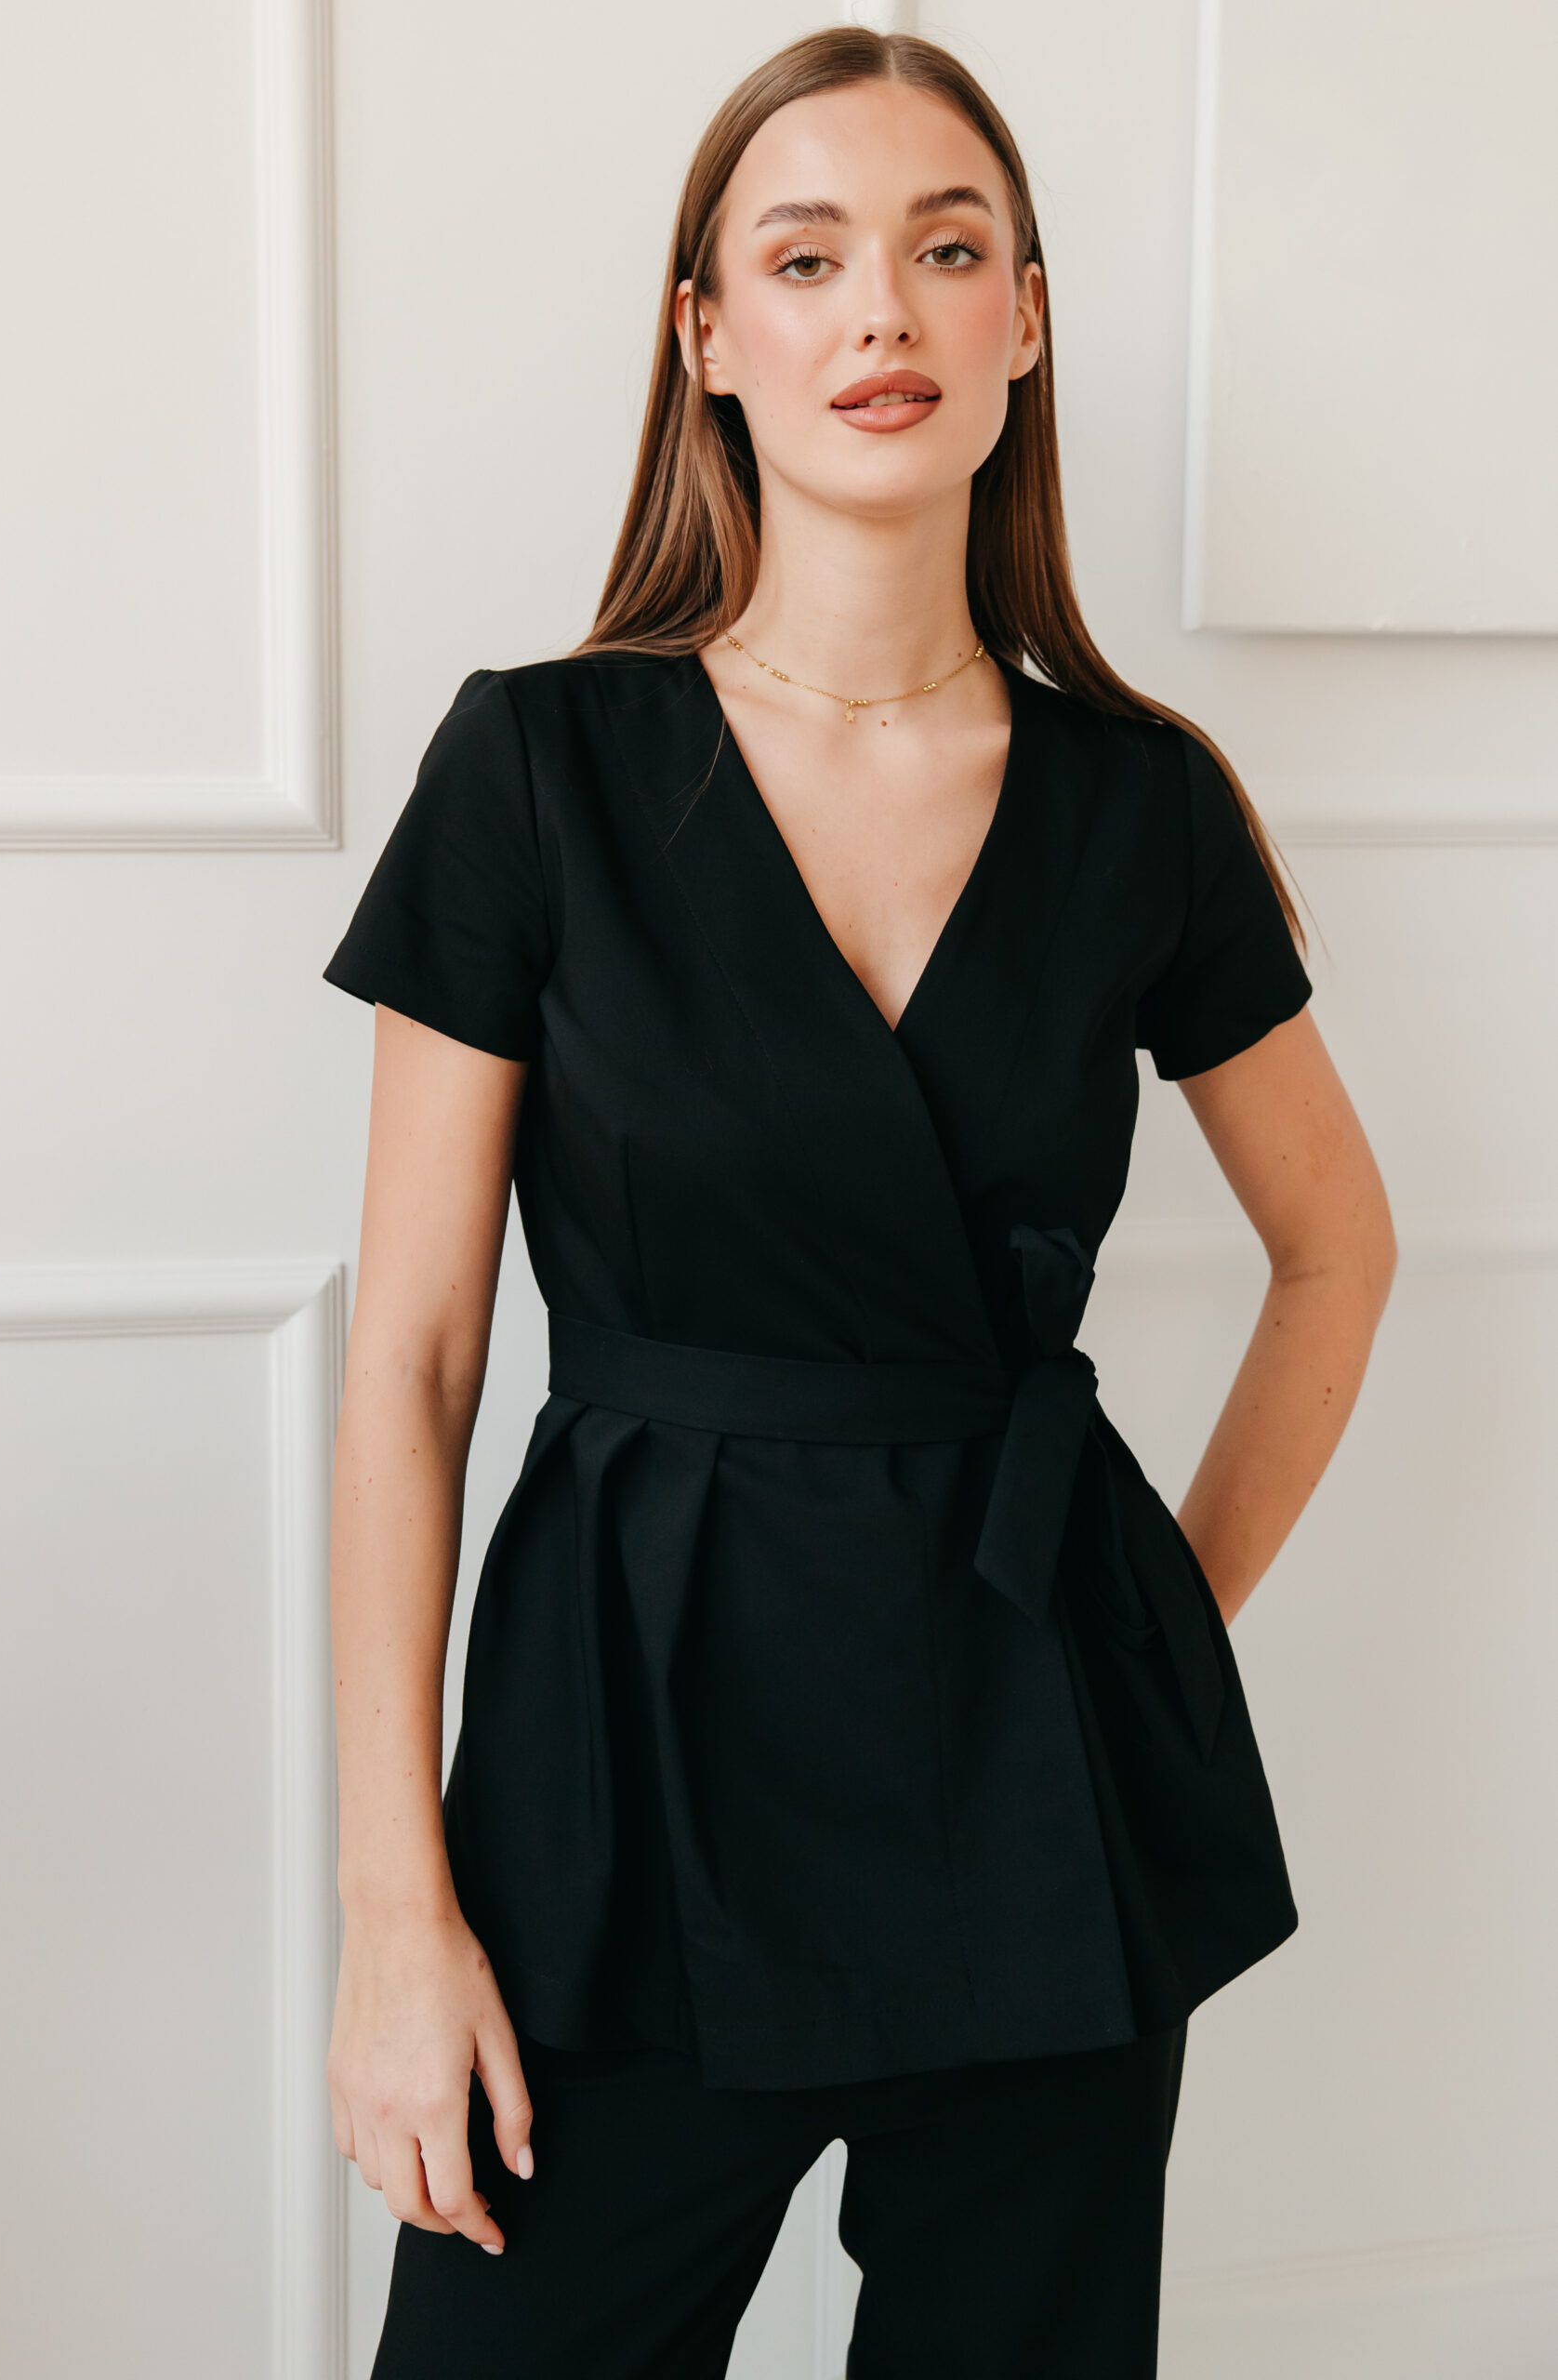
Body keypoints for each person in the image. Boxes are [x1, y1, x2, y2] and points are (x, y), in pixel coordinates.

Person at [320, 26, 1395, 2378]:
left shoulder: (1141, 804)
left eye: (944, 248)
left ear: (1025, 316)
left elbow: (1337, 1248)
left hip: (1032, 1786)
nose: (881, 310)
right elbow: (411, 1357)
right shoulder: (537, 764)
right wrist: (397, 1911)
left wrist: (1148, 1635)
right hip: (621, 1773)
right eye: (804, 259)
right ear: (706, 334)